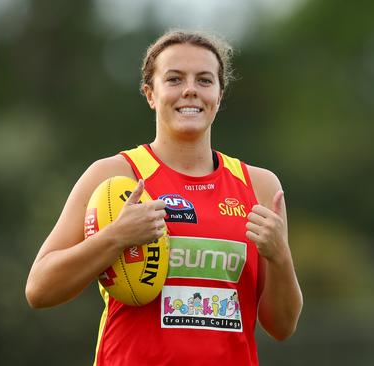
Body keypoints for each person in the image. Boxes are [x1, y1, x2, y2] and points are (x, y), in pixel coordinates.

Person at [25, 30, 303, 365]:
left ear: (219, 94)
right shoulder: (113, 176)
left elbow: (282, 325)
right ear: (150, 94)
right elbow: (39, 289)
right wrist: (116, 237)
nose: (190, 90)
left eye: (204, 80)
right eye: (174, 79)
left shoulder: (260, 187)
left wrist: (280, 256)